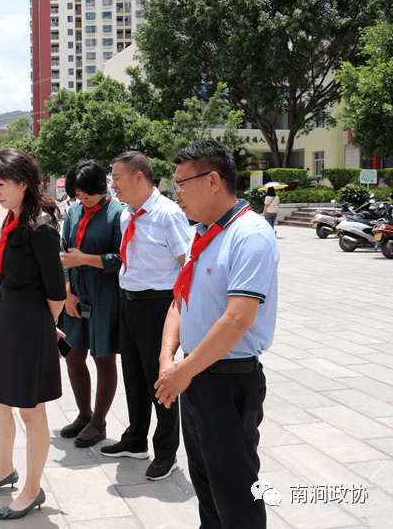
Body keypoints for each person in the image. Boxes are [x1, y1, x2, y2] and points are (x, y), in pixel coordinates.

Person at [155, 140, 278, 528]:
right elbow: (179, 300)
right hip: (194, 378)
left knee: (236, 495)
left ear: (212, 181)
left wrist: (184, 369)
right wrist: (167, 359)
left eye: (180, 184)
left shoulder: (251, 234)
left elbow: (238, 318)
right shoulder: (201, 233)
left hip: (228, 383)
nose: (176, 195)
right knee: (206, 490)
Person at [0, 148, 65, 521]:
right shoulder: (13, 221)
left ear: (24, 183)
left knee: (31, 409)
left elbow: (56, 292)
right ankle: (4, 470)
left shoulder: (40, 227)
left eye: (2, 184)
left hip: (29, 324)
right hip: (6, 316)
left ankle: (32, 489)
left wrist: (44, 328)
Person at [99, 151, 192, 481]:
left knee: (161, 381)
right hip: (129, 303)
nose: (113, 184)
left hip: (158, 306)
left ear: (139, 177)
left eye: (117, 178)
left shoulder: (168, 215)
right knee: (134, 377)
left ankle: (166, 451)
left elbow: (187, 265)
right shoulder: (127, 214)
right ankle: (135, 439)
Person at [57, 160, 122, 448]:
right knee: (71, 353)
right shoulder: (72, 211)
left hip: (104, 292)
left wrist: (85, 259)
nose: (82, 200)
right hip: (75, 293)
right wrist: (68, 290)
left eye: (87, 195)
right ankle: (83, 413)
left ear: (102, 187)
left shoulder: (117, 213)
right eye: (78, 195)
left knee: (103, 357)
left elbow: (121, 259)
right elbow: (63, 252)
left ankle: (99, 420)